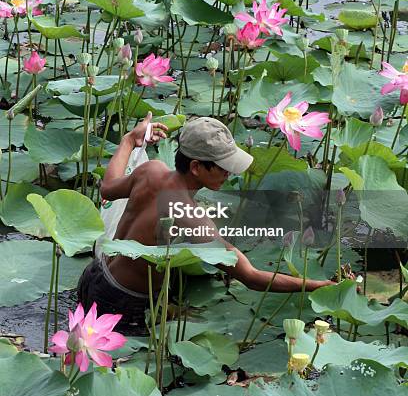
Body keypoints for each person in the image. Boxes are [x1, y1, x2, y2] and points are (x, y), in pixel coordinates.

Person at [78, 113, 333, 334]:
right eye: (223, 168)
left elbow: (108, 189)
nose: (229, 174)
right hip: (124, 302)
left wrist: (128, 140)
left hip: (95, 275)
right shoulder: (190, 216)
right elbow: (251, 277)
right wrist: (317, 286)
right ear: (197, 167)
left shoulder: (151, 170)